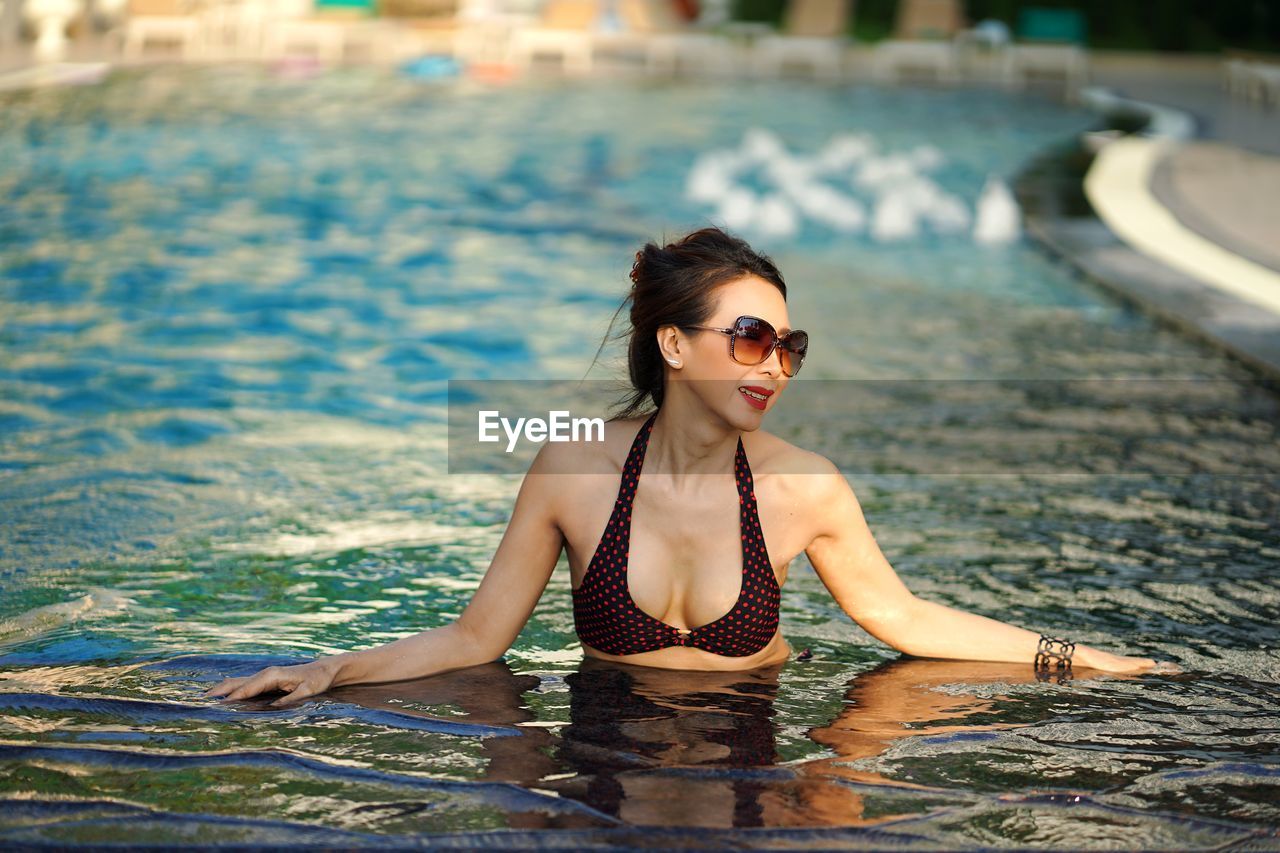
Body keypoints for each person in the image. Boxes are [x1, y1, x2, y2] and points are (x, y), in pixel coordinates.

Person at [205, 226, 1169, 707]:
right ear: (674, 345)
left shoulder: (806, 486)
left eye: (789, 344)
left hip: (755, 745)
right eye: (749, 338)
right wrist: (330, 667)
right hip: (603, 739)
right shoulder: (573, 470)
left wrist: (1073, 657)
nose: (775, 364)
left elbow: (904, 619)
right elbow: (476, 638)